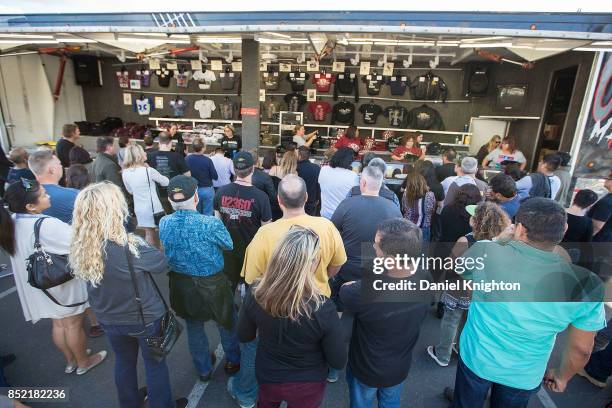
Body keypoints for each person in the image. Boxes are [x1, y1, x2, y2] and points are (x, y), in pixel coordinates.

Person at [448, 198, 606, 407]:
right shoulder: (587, 284)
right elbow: (581, 349)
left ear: (519, 229)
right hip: (524, 373)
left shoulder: (486, 250)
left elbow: (460, 268)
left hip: (477, 357)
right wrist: (562, 375)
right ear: (564, 229)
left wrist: (499, 239)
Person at [232, 175, 347, 408]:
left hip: (270, 323)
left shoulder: (265, 235)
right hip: (315, 316)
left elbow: (254, 280)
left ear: (278, 200)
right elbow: (337, 264)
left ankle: (244, 393)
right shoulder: (326, 227)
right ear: (307, 198)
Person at [70, 182, 187, 408]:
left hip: (108, 317)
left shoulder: (80, 244)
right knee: (155, 365)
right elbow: (161, 263)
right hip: (143, 317)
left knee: (123, 363)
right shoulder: (130, 245)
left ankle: (130, 402)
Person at [0, 180, 106, 377]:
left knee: (58, 324)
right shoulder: (46, 224)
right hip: (60, 284)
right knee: (73, 324)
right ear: (30, 206)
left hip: (38, 283)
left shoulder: (12, 221)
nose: (48, 196)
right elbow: (80, 244)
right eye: (42, 195)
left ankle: (71, 361)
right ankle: (84, 361)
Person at [340, 218, 430, 408]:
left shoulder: (364, 291)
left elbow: (345, 290)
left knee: (360, 403)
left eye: (377, 245)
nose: (373, 246)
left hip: (366, 368)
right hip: (399, 366)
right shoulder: (426, 277)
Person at [159, 175, 241, 382]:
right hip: (213, 283)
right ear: (196, 197)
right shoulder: (210, 223)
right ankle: (232, 360)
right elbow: (228, 244)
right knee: (226, 323)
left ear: (170, 200)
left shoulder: (164, 222)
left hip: (181, 284)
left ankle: (203, 368)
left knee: (194, 327)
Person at [427, 202, 510, 368]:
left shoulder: (466, 240)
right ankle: (460, 348)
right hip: (479, 290)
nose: (470, 217)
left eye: (473, 216)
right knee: (467, 320)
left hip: (459, 288)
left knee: (451, 320)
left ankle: (443, 354)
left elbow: (452, 265)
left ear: (478, 222)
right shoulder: (500, 243)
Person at [331, 166, 402, 299]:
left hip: (347, 267)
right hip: (378, 269)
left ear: (362, 183)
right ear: (380, 184)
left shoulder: (346, 204)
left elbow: (332, 231)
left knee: (342, 301)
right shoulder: (393, 208)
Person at [214, 152, 272, 290]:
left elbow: (218, 223)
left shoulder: (220, 192)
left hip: (228, 250)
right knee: (252, 290)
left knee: (228, 289)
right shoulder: (261, 197)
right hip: (251, 252)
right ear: (253, 169)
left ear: (234, 169)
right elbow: (266, 230)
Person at [121, 144, 169, 248]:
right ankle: (163, 258)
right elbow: (166, 182)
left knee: (149, 234)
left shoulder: (125, 173)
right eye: (143, 151)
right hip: (155, 209)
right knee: (163, 234)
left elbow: (130, 191)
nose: (145, 153)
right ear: (139, 155)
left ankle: (152, 258)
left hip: (140, 208)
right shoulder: (148, 171)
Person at [28, 150, 78, 224]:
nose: (61, 166)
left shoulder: (24, 191)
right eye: (59, 164)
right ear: (52, 170)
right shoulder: (74, 195)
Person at [148, 132, 190, 213]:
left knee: (164, 216)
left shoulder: (150, 156)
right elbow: (188, 175)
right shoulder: (178, 156)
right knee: (177, 216)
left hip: (158, 193)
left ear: (159, 142)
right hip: (176, 192)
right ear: (171, 143)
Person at [318, 148, 360, 219]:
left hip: (325, 214)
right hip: (342, 217)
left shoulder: (323, 170)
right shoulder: (353, 176)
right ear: (350, 161)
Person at [562, 189, 598, 266]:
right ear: (590, 205)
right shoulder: (588, 222)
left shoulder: (559, 213)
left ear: (575, 197)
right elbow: (586, 243)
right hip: (571, 253)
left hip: (552, 248)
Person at [185, 138, 218, 215]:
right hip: (207, 190)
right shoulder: (208, 160)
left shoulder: (186, 159)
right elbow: (215, 176)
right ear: (203, 148)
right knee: (208, 214)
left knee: (197, 214)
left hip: (193, 190)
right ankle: (207, 227)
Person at [402, 172, 436, 242]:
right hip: (424, 228)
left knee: (408, 250)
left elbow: (404, 209)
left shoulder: (406, 195)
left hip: (408, 227)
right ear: (423, 182)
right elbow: (432, 210)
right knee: (423, 251)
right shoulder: (430, 195)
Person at [247, 149, 279, 219]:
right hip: (261, 211)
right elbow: (273, 197)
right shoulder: (265, 177)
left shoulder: (239, 175)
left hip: (245, 209)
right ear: (257, 160)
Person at [269, 152, 298, 220]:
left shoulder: (274, 169)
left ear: (283, 159)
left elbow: (268, 186)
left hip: (273, 202)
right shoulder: (295, 174)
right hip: (287, 205)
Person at [296, 146, 321, 216]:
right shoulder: (316, 168)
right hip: (311, 201)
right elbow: (318, 185)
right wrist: (317, 198)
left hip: (296, 202)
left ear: (299, 156)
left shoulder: (295, 167)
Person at [588, 172, 612, 242]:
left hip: (598, 241)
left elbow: (596, 227)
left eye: (609, 178)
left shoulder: (607, 202)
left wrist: (585, 238)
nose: (606, 179)